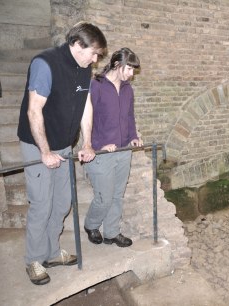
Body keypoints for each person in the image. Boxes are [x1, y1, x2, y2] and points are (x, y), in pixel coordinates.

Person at [17, 21, 107, 285]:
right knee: (42, 203)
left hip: (63, 145)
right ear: (77, 45)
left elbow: (86, 107)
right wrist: (44, 152)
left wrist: (87, 143)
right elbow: (34, 111)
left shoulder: (84, 68)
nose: (95, 59)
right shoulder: (45, 64)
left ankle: (52, 252)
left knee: (62, 203)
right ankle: (34, 259)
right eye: (93, 53)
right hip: (37, 145)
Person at [83, 48, 142, 248]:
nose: (131, 74)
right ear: (117, 65)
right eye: (129, 69)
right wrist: (98, 145)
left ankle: (112, 232)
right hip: (101, 152)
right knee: (104, 198)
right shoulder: (96, 85)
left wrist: (133, 136)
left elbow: (129, 116)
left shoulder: (127, 89)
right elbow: (86, 120)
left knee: (117, 195)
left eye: (133, 70)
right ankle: (91, 225)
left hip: (123, 150)